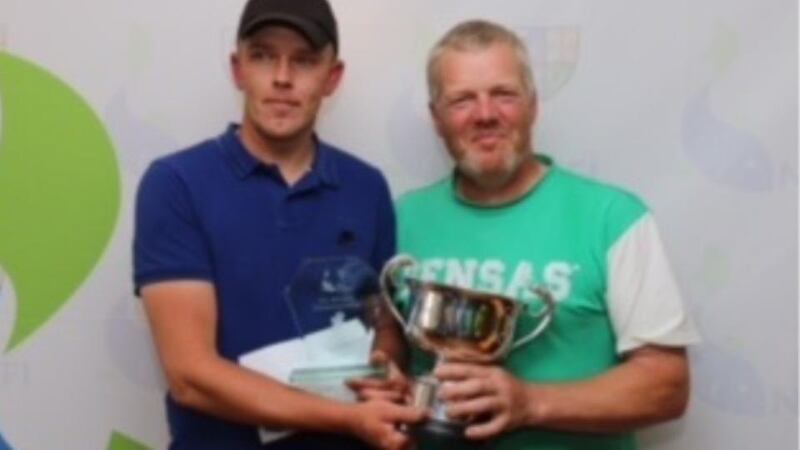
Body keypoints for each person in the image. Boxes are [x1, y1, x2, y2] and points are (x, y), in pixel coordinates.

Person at [394, 20, 701, 450]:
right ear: (436, 119)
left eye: (504, 94)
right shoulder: (401, 217)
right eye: (462, 99)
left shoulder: (613, 218)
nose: (485, 114)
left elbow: (667, 386)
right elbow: (386, 354)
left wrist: (530, 402)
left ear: (533, 105)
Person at [132, 0, 423, 449]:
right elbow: (191, 374)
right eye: (264, 55)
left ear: (332, 77)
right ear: (238, 69)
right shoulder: (176, 183)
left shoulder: (366, 186)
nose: (283, 78)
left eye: (304, 60)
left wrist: (384, 360)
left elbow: (382, 322)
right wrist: (346, 418)